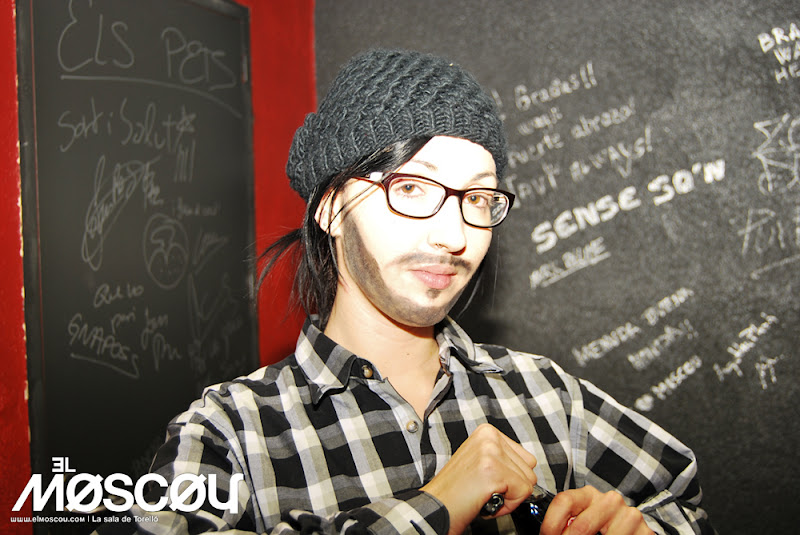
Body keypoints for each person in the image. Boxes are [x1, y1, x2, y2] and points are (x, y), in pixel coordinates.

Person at [98, 48, 714, 535]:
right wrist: (436, 506)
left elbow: (682, 502)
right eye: (413, 187)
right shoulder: (232, 433)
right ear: (331, 207)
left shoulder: (547, 397)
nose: (455, 235)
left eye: (478, 197)